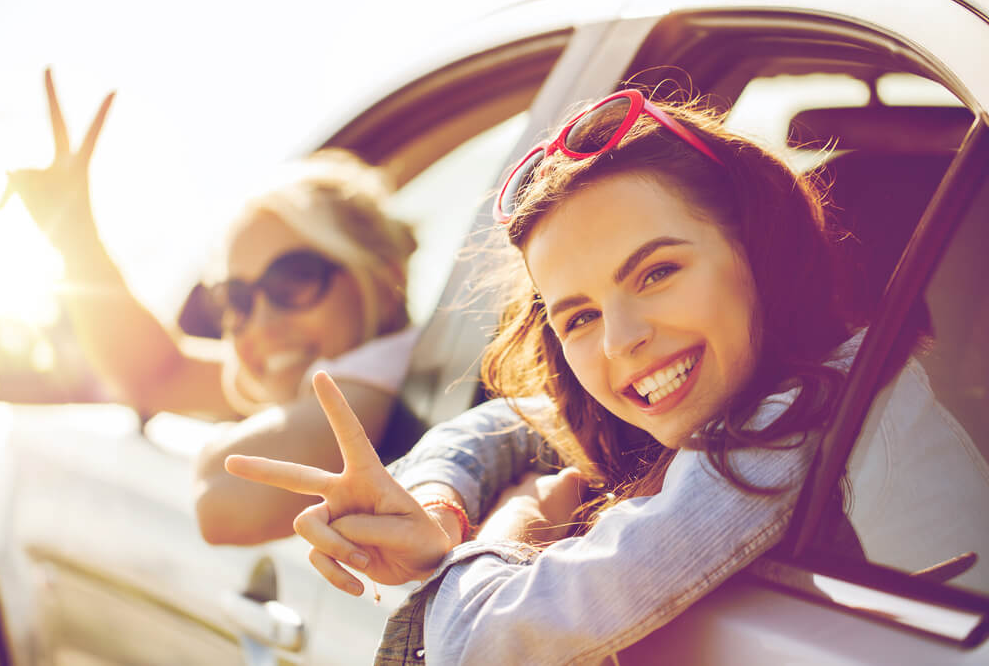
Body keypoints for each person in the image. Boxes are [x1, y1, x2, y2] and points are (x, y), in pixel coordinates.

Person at [224, 87, 867, 663]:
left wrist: (509, 529)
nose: (622, 340)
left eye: (658, 273)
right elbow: (512, 421)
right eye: (581, 317)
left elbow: (482, 641)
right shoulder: (758, 384)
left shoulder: (788, 423)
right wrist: (437, 505)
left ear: (757, 247)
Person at [1, 69, 419, 545]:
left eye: (294, 279)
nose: (260, 325)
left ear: (386, 276)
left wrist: (222, 443)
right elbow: (156, 374)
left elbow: (227, 501)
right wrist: (74, 234)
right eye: (236, 300)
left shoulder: (380, 373)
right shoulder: (335, 365)